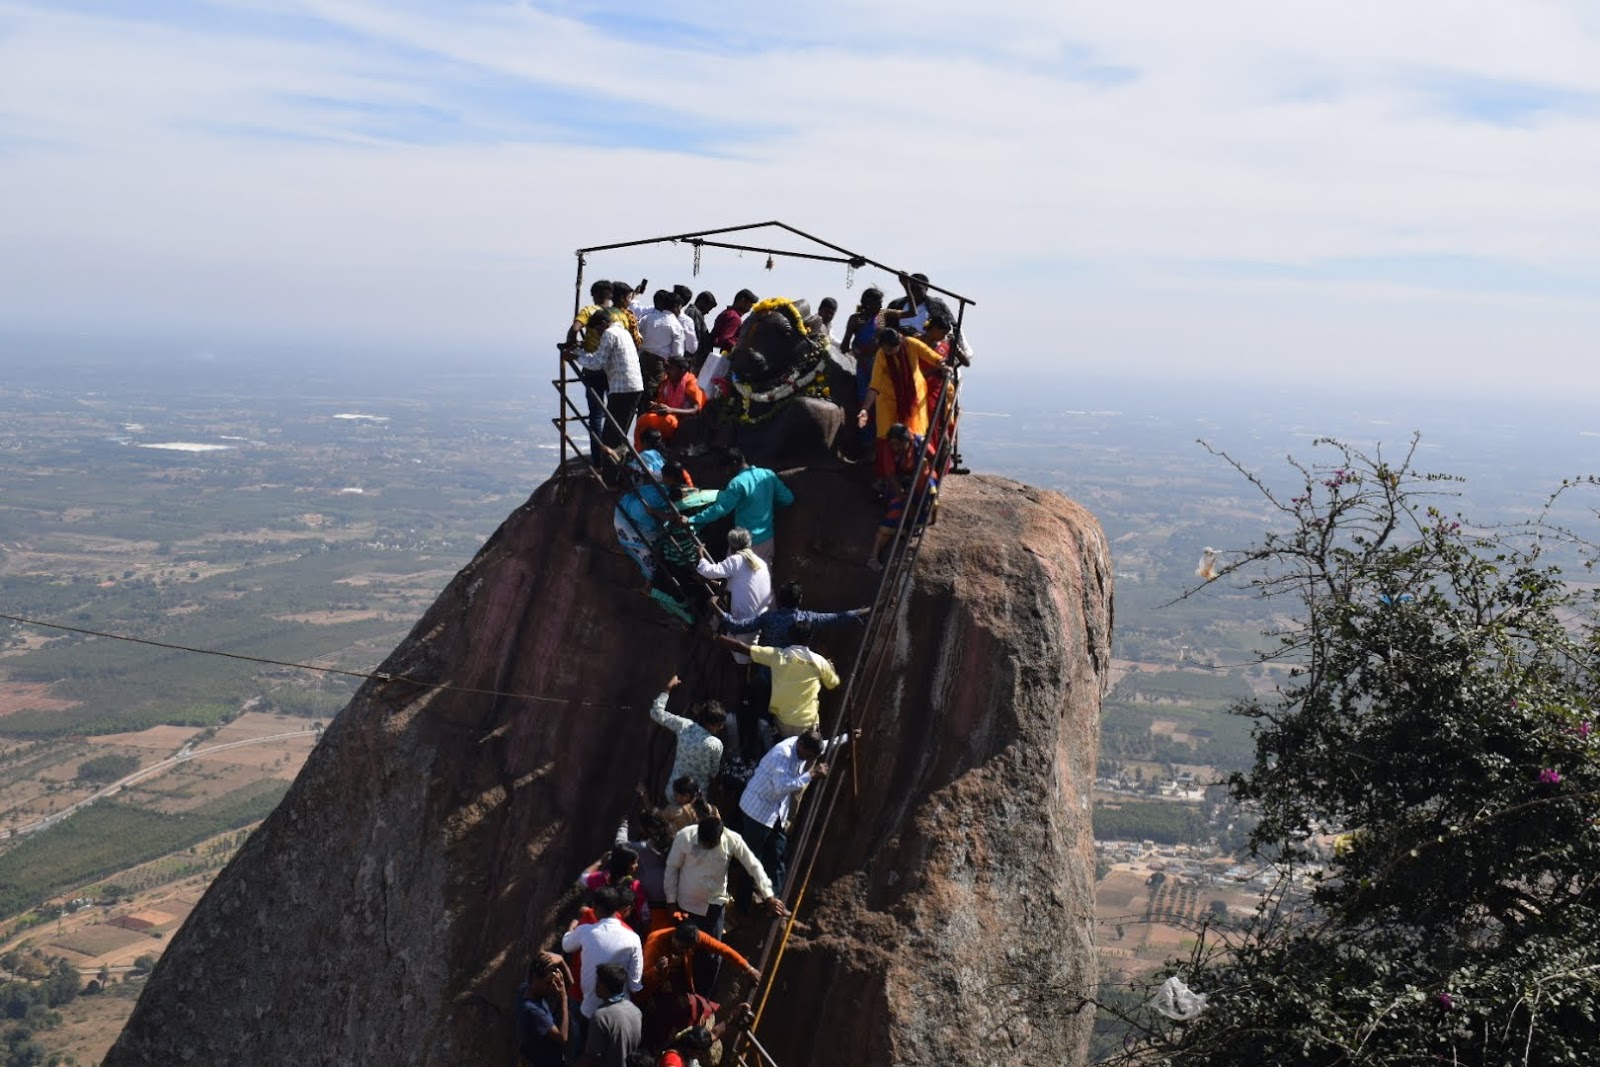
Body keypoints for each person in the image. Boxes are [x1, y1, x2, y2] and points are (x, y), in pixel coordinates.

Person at [664, 810, 788, 984]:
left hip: (713, 909)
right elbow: (672, 868)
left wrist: (768, 896)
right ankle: (682, 988)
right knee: (682, 951)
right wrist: (671, 903)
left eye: (710, 844)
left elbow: (753, 866)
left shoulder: (732, 840)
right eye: (703, 843)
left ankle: (704, 994)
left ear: (719, 838)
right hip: (686, 905)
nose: (706, 847)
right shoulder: (685, 837)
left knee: (712, 955)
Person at [737, 729, 848, 894]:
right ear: (801, 745)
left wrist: (847, 736)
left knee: (778, 853)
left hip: (774, 811)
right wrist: (810, 775)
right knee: (751, 859)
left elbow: (824, 745)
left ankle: (774, 899)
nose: (808, 760)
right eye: (807, 756)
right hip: (757, 811)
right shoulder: (783, 754)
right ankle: (742, 900)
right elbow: (781, 787)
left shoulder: (803, 746)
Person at [714, 624, 840, 737]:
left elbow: (742, 647)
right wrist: (831, 668)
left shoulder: (777, 655)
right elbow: (833, 685)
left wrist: (715, 636)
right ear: (810, 638)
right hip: (808, 723)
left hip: (783, 721)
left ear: (790, 637)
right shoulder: (820, 662)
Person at [859, 327, 944, 482]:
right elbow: (874, 385)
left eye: (892, 349)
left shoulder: (911, 344)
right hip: (888, 398)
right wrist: (865, 409)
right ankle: (886, 476)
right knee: (885, 435)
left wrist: (942, 365)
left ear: (899, 343)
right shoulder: (881, 355)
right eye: (886, 349)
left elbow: (932, 356)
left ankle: (915, 472)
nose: (889, 353)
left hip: (913, 397)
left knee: (912, 434)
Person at [685, 449, 793, 564]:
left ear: (734, 463)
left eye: (726, 468)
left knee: (734, 574)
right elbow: (787, 498)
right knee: (763, 573)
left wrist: (693, 520)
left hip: (743, 543)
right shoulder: (768, 475)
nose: (726, 472)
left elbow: (720, 509)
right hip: (766, 540)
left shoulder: (737, 483)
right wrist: (769, 509)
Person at [562, 884, 645, 1019]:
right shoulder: (633, 938)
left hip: (587, 1008)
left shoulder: (585, 931)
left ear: (596, 907)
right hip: (618, 1014)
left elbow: (566, 946)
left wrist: (571, 929)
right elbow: (635, 985)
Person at [867, 422, 939, 570]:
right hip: (898, 484)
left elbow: (934, 458)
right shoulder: (888, 449)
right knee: (897, 510)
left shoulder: (919, 443)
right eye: (893, 444)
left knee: (925, 491)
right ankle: (874, 556)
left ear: (908, 441)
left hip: (917, 482)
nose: (895, 448)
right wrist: (905, 498)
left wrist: (922, 474)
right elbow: (891, 476)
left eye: (899, 444)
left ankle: (914, 523)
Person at [577, 308, 644, 465]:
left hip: (622, 389)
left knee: (610, 436)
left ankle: (611, 473)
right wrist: (581, 353)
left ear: (603, 323)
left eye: (598, 330)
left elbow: (597, 363)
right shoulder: (624, 333)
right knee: (620, 432)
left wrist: (576, 356)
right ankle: (620, 467)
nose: (598, 334)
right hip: (635, 386)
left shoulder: (609, 334)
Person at [695, 528, 771, 661]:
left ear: (732, 547)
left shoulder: (736, 560)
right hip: (760, 619)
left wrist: (700, 553)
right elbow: (738, 585)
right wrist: (712, 583)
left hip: (742, 621)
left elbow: (706, 571)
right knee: (747, 653)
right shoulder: (761, 563)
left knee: (741, 658)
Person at [649, 675, 727, 802]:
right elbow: (713, 772)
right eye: (720, 725)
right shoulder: (716, 744)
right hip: (696, 800)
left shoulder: (684, 726)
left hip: (673, 792)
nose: (721, 727)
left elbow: (656, 713)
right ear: (712, 724)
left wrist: (668, 688)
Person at [577, 961, 643, 1067]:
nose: (595, 986)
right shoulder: (635, 1011)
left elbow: (591, 1057)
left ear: (604, 986)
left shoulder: (601, 1017)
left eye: (598, 982)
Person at [634, 355, 707, 450]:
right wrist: (656, 405)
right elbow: (662, 401)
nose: (668, 371)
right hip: (667, 416)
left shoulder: (692, 383)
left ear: (682, 371)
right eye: (667, 368)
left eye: (672, 369)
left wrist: (671, 410)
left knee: (668, 421)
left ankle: (662, 450)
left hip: (684, 422)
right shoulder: (667, 382)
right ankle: (638, 451)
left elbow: (696, 410)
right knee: (643, 419)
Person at [577, 844, 650, 933]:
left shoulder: (600, 878)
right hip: (624, 931)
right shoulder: (634, 885)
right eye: (634, 862)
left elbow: (583, 877)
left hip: (596, 928)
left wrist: (600, 862)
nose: (636, 865)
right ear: (626, 865)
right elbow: (645, 914)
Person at [516, 953, 571, 1067]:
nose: (551, 986)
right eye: (548, 983)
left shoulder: (525, 990)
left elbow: (570, 984)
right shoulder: (533, 1010)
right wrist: (564, 998)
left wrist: (561, 961)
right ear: (535, 979)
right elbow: (562, 1037)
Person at [638, 289, 687, 415]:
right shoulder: (675, 325)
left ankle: (641, 422)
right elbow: (677, 354)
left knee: (640, 395)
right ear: (676, 307)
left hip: (641, 360)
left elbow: (636, 333)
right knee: (654, 396)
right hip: (660, 365)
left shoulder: (648, 318)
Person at [710, 289, 757, 354]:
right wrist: (741, 350)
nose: (750, 308)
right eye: (750, 305)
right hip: (728, 356)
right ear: (742, 301)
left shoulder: (726, 313)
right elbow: (726, 339)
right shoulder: (735, 318)